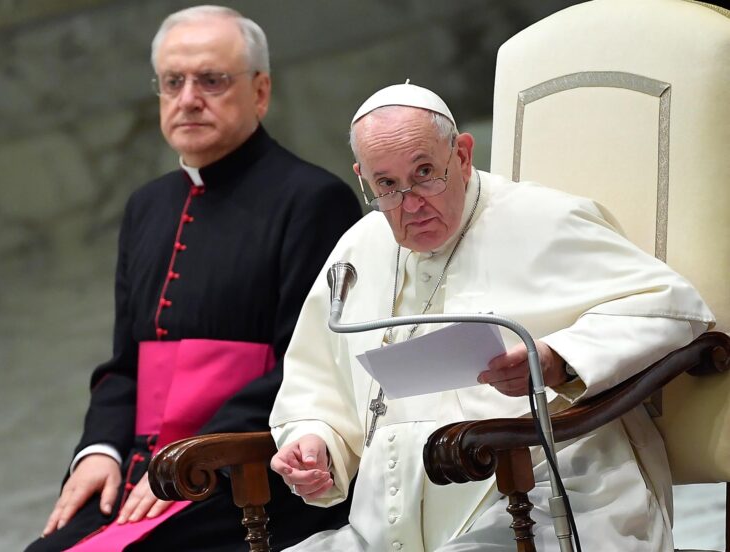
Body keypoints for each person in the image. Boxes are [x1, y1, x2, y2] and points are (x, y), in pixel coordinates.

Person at [269, 82, 715, 551]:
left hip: (548, 499)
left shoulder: (541, 218)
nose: (410, 202)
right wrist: (315, 441)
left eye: (425, 172)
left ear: (461, 155)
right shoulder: (358, 249)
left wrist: (557, 358)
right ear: (363, 178)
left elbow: (669, 305)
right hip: (385, 528)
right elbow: (317, 384)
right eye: (387, 186)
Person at [27, 6, 361, 552]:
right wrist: (98, 451)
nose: (188, 98)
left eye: (211, 80)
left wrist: (199, 451)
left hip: (246, 470)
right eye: (172, 82)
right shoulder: (146, 207)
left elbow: (315, 366)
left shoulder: (312, 200)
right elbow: (124, 366)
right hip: (143, 471)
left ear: (260, 91)